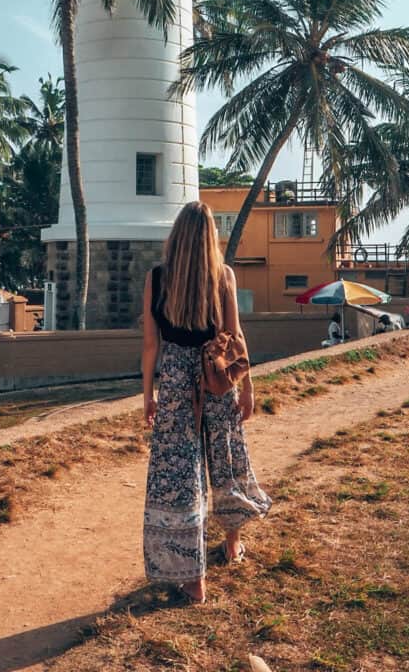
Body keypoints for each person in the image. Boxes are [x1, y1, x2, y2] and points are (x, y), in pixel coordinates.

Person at [142, 201, 272, 604]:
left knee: (180, 475)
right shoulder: (224, 276)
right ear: (210, 237)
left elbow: (151, 344)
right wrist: (248, 387)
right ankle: (231, 543)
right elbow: (234, 337)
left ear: (176, 236)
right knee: (226, 460)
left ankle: (192, 577)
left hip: (177, 382)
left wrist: (148, 393)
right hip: (217, 378)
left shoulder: (157, 278)